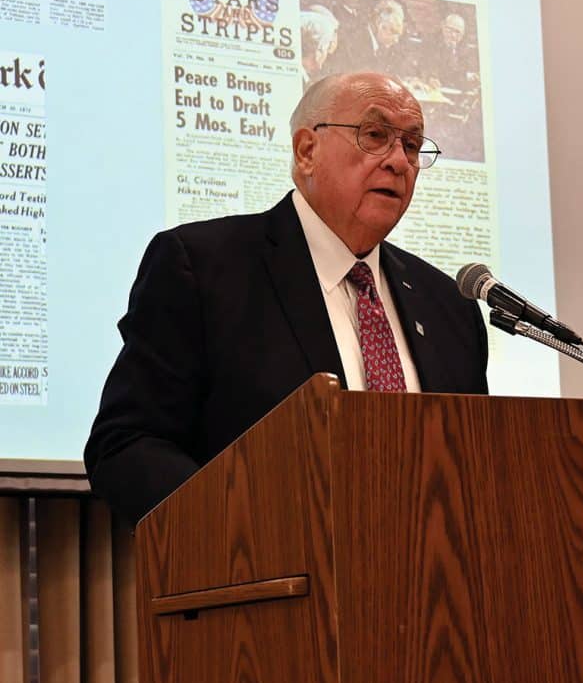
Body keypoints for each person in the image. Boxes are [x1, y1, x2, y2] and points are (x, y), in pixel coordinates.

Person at [84, 72, 488, 526]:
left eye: (412, 145)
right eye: (375, 136)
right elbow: (128, 443)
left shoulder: (449, 306)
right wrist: (241, 534)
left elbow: (472, 473)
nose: (398, 161)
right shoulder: (203, 267)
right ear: (306, 151)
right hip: (269, 581)